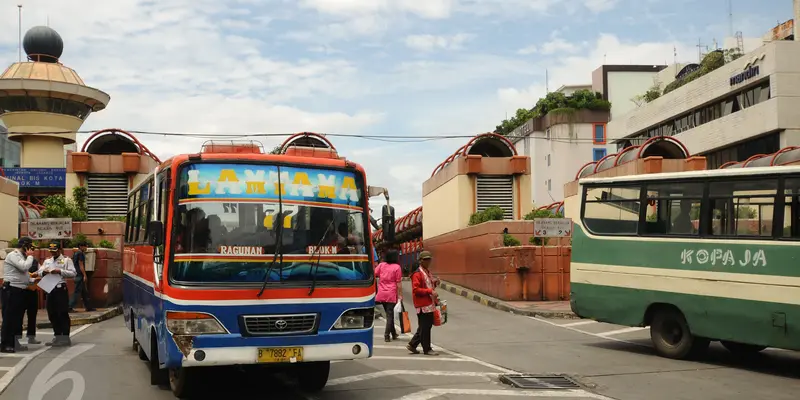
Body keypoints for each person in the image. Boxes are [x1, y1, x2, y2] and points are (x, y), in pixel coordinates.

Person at [36, 241, 77, 347]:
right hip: (49, 288)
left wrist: (60, 271)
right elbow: (39, 272)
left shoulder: (66, 260)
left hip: (60, 289)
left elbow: (73, 273)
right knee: (52, 313)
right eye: (51, 251)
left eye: (55, 251)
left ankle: (65, 338)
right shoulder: (47, 261)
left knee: (62, 313)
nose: (53, 253)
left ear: (59, 250)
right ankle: (57, 336)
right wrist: (43, 272)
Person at [1, 237, 36, 353]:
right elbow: (24, 267)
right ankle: (6, 344)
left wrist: (33, 280)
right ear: (25, 246)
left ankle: (15, 342)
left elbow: (23, 274)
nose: (32, 250)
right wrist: (30, 256)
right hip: (11, 289)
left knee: (17, 319)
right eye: (30, 247)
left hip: (20, 289)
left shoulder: (22, 257)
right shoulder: (13, 255)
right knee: (9, 318)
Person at [406, 250, 440, 356]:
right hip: (423, 304)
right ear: (421, 261)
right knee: (425, 327)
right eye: (426, 260)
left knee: (424, 326)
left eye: (429, 259)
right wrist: (430, 291)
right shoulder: (417, 274)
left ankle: (413, 344)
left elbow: (427, 285)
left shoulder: (426, 272)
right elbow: (416, 289)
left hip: (428, 303)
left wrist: (434, 282)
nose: (428, 261)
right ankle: (427, 349)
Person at [374, 249, 402, 342]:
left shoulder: (381, 265)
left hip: (382, 293)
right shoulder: (397, 267)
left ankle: (393, 334)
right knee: (390, 315)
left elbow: (375, 273)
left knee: (389, 313)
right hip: (391, 294)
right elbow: (398, 283)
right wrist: (400, 296)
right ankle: (386, 335)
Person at [18, 253, 41, 345]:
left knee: (32, 315)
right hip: (21, 290)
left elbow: (39, 272)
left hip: (32, 290)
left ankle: (31, 337)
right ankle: (17, 338)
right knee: (19, 315)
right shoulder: (18, 260)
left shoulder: (35, 261)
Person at [69, 241, 95, 313]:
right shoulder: (80, 253)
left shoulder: (75, 253)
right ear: (81, 246)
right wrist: (84, 275)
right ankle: (69, 306)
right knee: (77, 292)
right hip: (79, 275)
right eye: (85, 246)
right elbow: (81, 265)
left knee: (84, 292)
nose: (86, 248)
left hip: (76, 274)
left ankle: (88, 307)